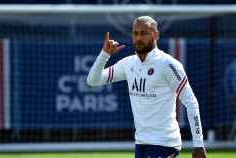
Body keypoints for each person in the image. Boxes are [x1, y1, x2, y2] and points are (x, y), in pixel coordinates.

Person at [87, 16, 206, 158]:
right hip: (141, 143)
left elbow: (191, 102)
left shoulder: (168, 64)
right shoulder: (128, 64)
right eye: (135, 33)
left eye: (144, 33)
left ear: (156, 35)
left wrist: (198, 144)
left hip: (165, 143)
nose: (138, 38)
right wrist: (104, 55)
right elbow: (93, 80)